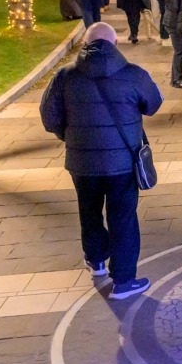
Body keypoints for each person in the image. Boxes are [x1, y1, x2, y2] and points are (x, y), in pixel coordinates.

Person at [39, 22, 162, 300]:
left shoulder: (65, 77)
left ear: (85, 45)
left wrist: (69, 135)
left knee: (89, 210)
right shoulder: (133, 75)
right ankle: (124, 281)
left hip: (82, 163)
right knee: (123, 217)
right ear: (115, 44)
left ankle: (96, 262)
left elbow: (49, 118)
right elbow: (153, 104)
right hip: (123, 162)